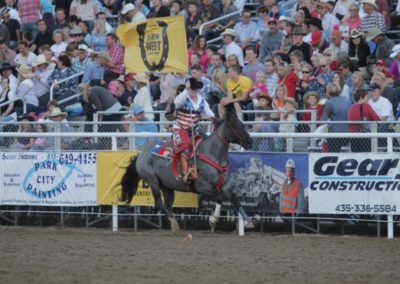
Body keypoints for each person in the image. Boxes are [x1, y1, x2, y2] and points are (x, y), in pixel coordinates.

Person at [173, 77, 215, 183]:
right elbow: (177, 104)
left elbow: (208, 112)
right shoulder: (182, 98)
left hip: (194, 128)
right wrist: (185, 90)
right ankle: (187, 173)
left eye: (195, 89)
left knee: (208, 142)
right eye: (192, 89)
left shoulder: (201, 100)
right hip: (181, 128)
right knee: (186, 146)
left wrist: (214, 117)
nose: (194, 91)